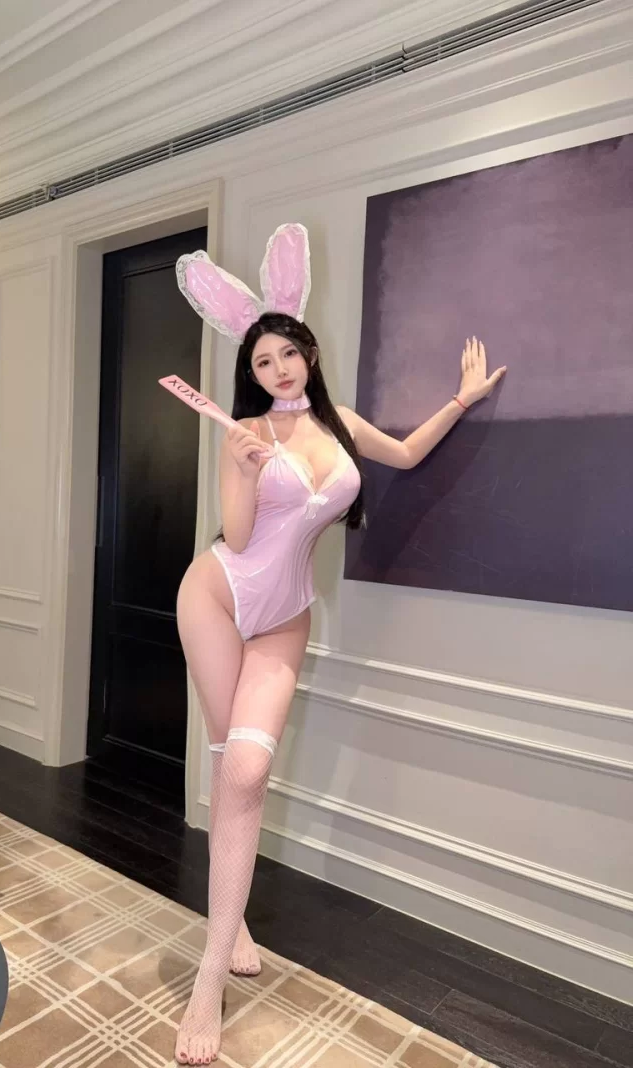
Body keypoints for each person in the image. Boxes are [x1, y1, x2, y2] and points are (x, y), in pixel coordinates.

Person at [172, 224, 506, 1065]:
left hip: (285, 614)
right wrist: (243, 469)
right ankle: (214, 967)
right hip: (216, 597)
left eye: (287, 353)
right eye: (262, 362)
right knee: (228, 763)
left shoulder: (342, 424)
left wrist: (463, 400)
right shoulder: (245, 431)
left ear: (309, 354)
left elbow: (408, 454)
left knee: (246, 771)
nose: (278, 369)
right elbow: (237, 539)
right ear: (250, 374)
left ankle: (224, 928)